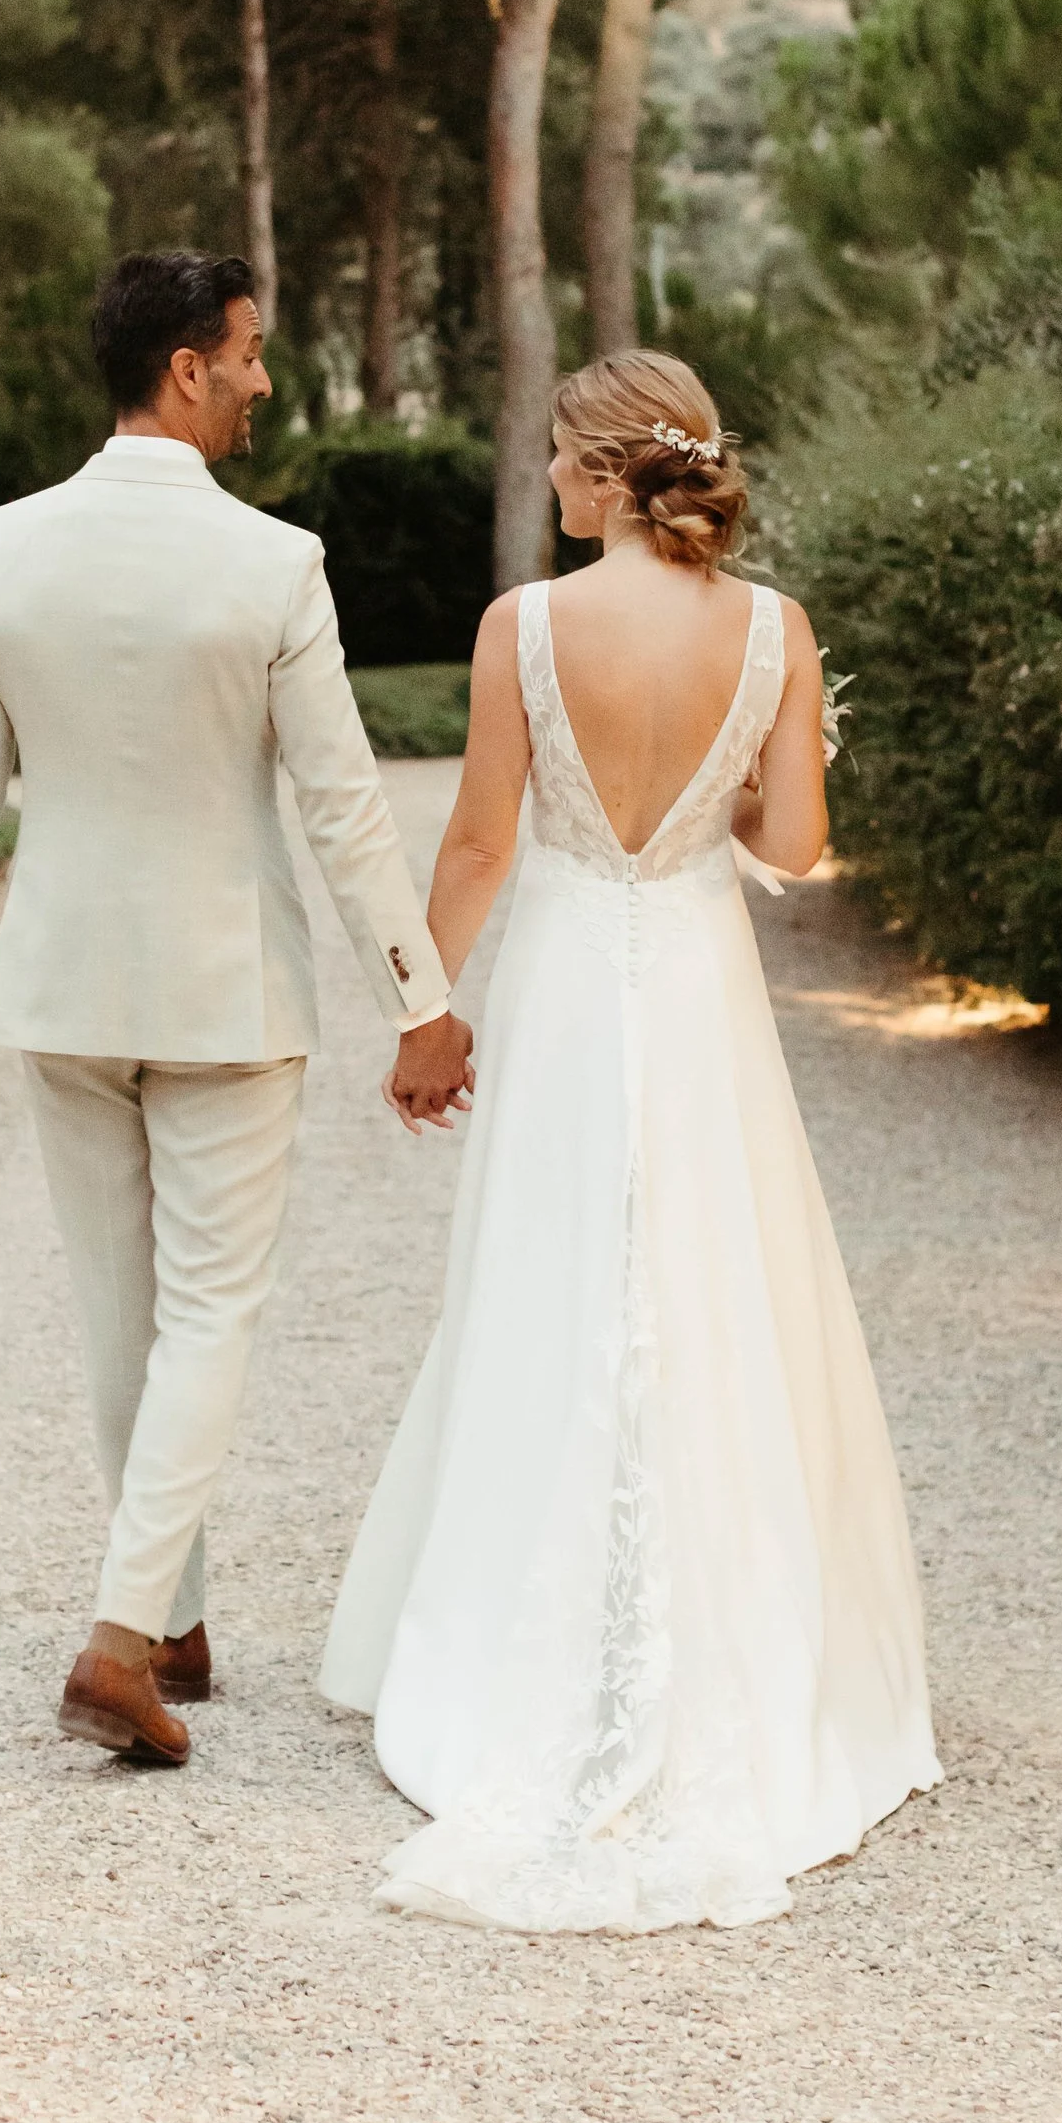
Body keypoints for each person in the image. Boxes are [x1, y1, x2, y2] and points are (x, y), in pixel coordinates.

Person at [322, 348, 940, 1931]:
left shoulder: (523, 628)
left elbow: (473, 838)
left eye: (551, 457)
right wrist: (726, 789)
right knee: (710, 1287)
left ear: (601, 477)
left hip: (572, 989)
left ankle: (528, 1631)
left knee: (553, 1286)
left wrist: (422, 1008)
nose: (541, 480)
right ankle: (735, 1644)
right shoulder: (777, 631)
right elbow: (798, 843)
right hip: (696, 983)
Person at [0, 250, 474, 1770]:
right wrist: (422, 995)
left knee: (117, 1316)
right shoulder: (273, 565)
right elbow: (342, 808)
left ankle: (178, 1615)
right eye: (254, 353)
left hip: (67, 987)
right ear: (189, 365)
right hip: (225, 994)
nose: (267, 379)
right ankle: (118, 1639)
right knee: (209, 1312)